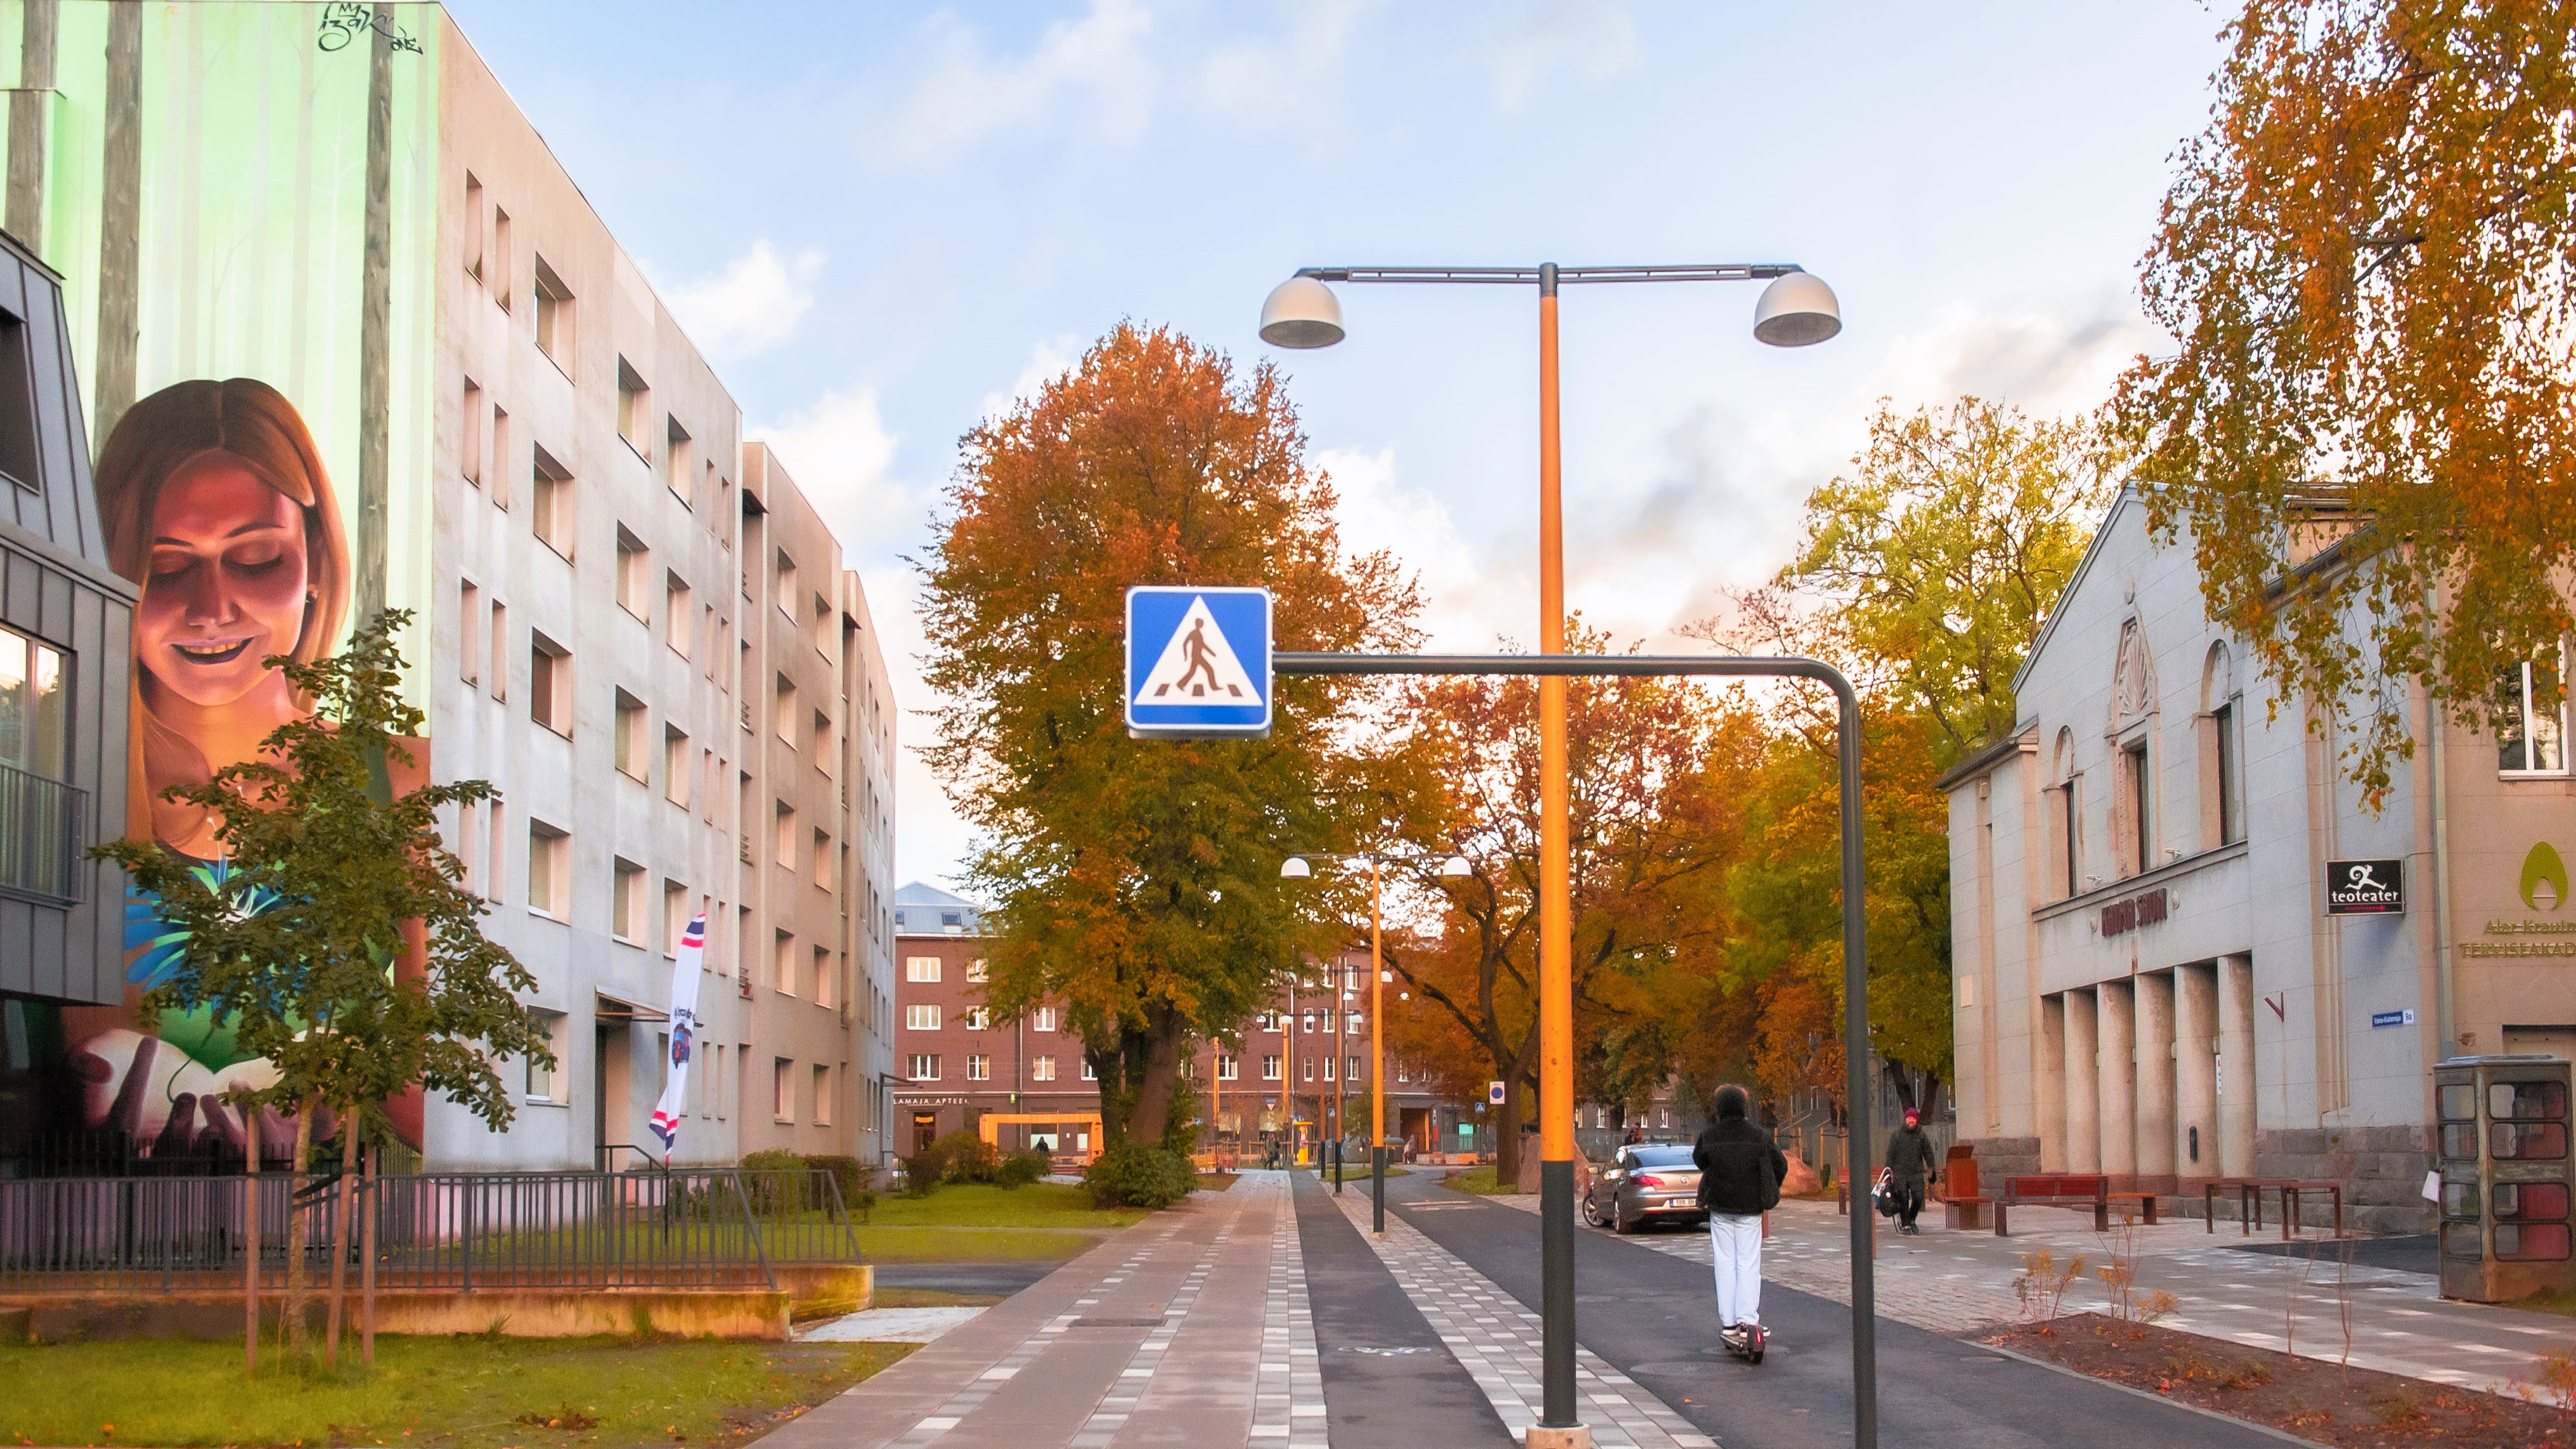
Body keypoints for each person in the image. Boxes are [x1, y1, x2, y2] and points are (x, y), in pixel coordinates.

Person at [1692, 1084, 1787, 1353]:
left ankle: (1729, 1323)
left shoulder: (1710, 1136)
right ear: (1743, 1108)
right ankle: (1748, 1319)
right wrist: (1767, 1186)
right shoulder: (1759, 1136)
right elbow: (1781, 1164)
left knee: (1725, 1264)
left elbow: (1699, 1160)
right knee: (1748, 1262)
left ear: (1720, 1107)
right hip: (1750, 1209)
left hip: (1721, 1209)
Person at [1884, 1106, 1939, 1235]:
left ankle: (1911, 1220)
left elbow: (1928, 1152)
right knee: (1903, 1198)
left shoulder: (1921, 1135)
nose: (1911, 1121)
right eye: (1909, 1118)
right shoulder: (1897, 1135)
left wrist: (1931, 1168)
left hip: (1916, 1173)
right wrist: (1888, 1170)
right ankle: (1906, 1225)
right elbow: (1890, 1154)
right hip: (1900, 1173)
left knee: (1918, 1198)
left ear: (1916, 1121)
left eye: (1914, 1119)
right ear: (1905, 1120)